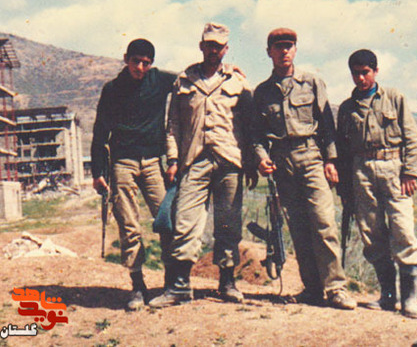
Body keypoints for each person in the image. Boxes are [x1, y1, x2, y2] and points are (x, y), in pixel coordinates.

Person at [149, 23, 256, 308]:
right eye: (209, 45)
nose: (213, 50)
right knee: (185, 222)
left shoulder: (238, 81)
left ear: (226, 49)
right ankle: (179, 286)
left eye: (218, 46)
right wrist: (173, 159)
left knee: (228, 224)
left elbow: (250, 125)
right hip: (193, 161)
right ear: (201, 46)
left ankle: (227, 283)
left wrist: (251, 162)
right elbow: (172, 125)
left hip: (229, 160)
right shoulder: (184, 80)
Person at [251, 28, 357, 310]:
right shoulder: (262, 92)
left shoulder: (311, 82)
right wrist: (261, 157)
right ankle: (312, 289)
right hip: (281, 162)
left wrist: (331, 160)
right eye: (278, 47)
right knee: (298, 228)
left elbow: (327, 125)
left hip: (311, 156)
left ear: (295, 50)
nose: (284, 51)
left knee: (324, 223)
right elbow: (256, 136)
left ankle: (336, 288)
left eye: (289, 46)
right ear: (269, 52)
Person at [336, 49, 417, 318]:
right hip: (361, 173)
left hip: (393, 170)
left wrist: (411, 173)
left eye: (365, 72)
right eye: (356, 73)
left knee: (403, 229)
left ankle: (409, 299)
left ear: (375, 71)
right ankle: (388, 296)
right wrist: (345, 188)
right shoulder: (347, 108)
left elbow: (413, 139)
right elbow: (342, 151)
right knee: (372, 235)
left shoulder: (394, 98)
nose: (361, 78)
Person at [91, 38, 176, 311]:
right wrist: (97, 171)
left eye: (146, 63)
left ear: (152, 63)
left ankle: (171, 282)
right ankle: (137, 285)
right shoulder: (113, 89)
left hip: (152, 161)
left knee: (167, 219)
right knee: (129, 224)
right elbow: (100, 131)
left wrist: (230, 71)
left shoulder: (160, 81)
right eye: (136, 61)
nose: (140, 67)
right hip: (122, 162)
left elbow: (192, 79)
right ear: (126, 58)